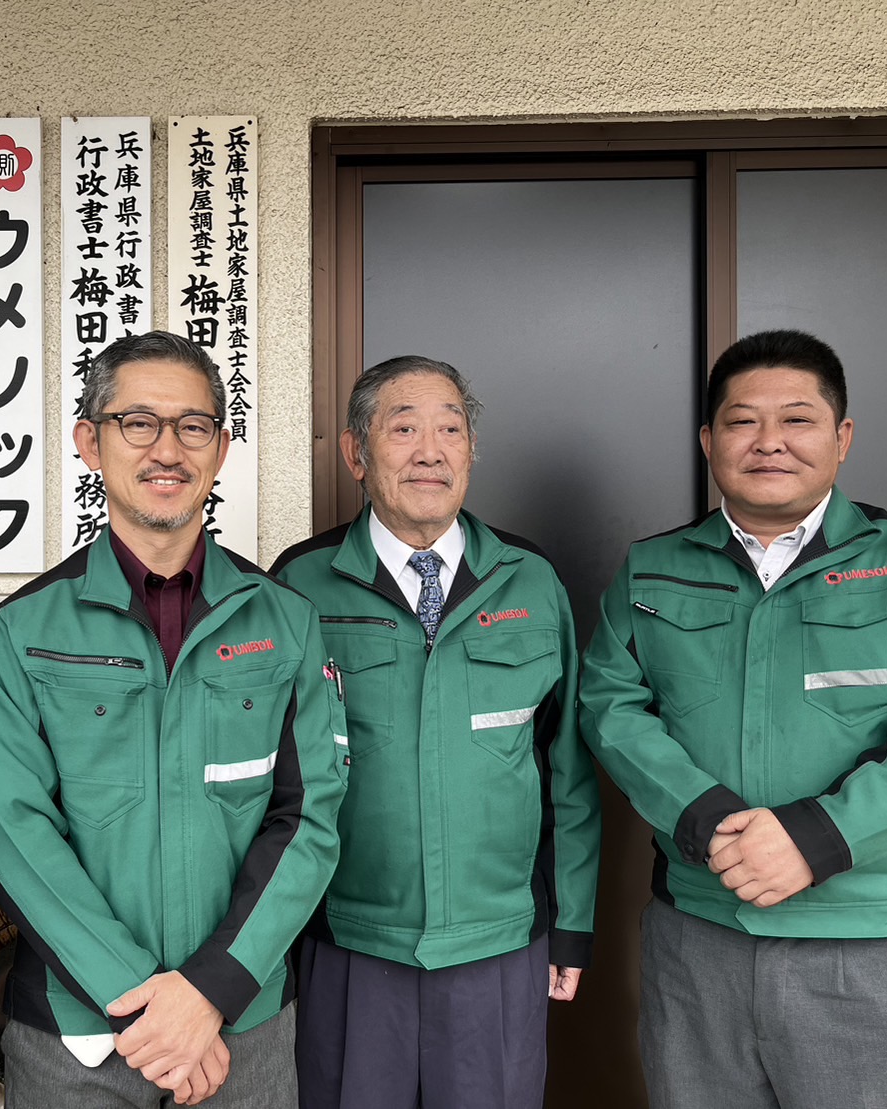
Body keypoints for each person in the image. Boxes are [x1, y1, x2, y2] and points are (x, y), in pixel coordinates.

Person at [580, 329, 887, 1109]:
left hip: (862, 942)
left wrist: (815, 838)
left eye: (797, 419)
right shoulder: (651, 568)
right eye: (742, 421)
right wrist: (708, 821)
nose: (768, 442)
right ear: (709, 440)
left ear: (841, 437)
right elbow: (610, 706)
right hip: (695, 937)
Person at [0, 330, 346, 1109]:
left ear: (220, 449)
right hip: (77, 1032)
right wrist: (142, 1000)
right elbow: (15, 833)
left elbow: (307, 819)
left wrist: (208, 992)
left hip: (239, 1024)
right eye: (137, 422)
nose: (166, 448)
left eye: (192, 426)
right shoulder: (23, 629)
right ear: (90, 442)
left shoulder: (283, 620)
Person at [271, 355, 601, 1109]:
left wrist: (572, 924)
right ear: (356, 453)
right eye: (404, 427)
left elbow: (568, 771)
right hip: (345, 942)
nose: (431, 449)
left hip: (498, 943)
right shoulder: (299, 583)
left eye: (451, 428)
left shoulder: (529, 578)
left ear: (472, 450)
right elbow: (272, 778)